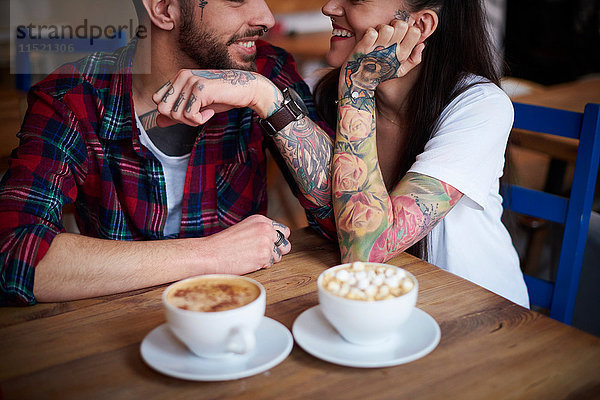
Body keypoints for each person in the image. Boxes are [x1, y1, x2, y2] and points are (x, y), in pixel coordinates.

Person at [0, 0, 335, 305]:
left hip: (243, 317)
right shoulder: (71, 98)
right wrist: (213, 255)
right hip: (117, 328)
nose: (266, 17)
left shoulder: (265, 71)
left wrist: (266, 98)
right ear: (163, 8)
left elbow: (346, 217)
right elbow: (13, 252)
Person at [315, 0, 529, 307]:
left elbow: (365, 254)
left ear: (421, 26)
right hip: (382, 310)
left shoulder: (481, 105)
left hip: (481, 317)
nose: (329, 7)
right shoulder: (327, 93)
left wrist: (358, 89)